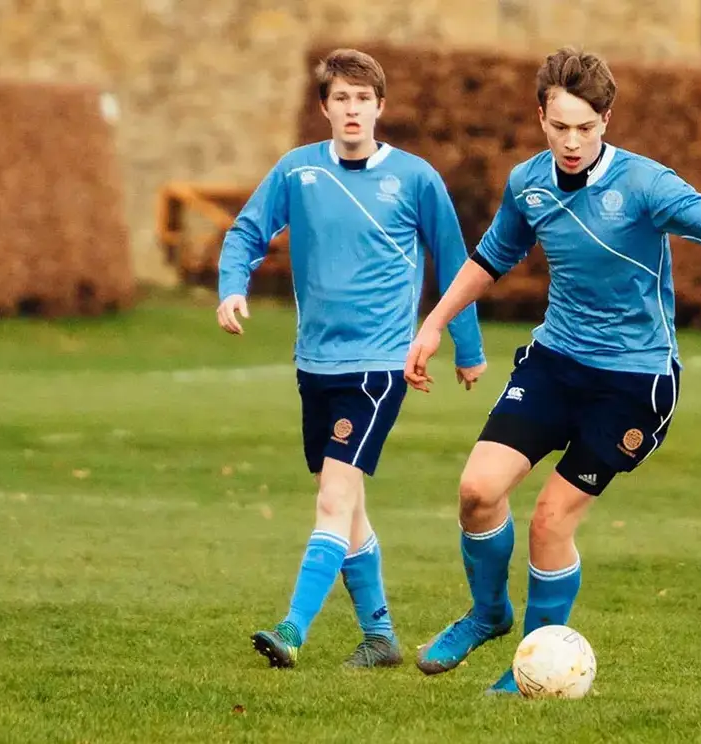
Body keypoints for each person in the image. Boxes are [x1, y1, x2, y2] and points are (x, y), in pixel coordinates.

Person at [401, 46, 701, 694]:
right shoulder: (528, 183)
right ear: (540, 116)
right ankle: (488, 613)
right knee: (477, 492)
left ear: (607, 120)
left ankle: (529, 668)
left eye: (586, 128)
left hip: (633, 382)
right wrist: (434, 325)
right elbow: (491, 256)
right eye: (560, 126)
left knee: (549, 520)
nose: (572, 142)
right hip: (556, 361)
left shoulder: (646, 184)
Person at [216, 48, 488, 670]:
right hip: (315, 363)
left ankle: (292, 629)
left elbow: (456, 264)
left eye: (363, 99)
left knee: (334, 500)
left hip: (377, 366)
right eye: (341, 98)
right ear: (324, 108)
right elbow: (245, 233)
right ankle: (381, 638)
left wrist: (466, 349)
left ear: (380, 107)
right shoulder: (298, 171)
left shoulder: (416, 178)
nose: (352, 110)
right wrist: (233, 285)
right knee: (349, 504)